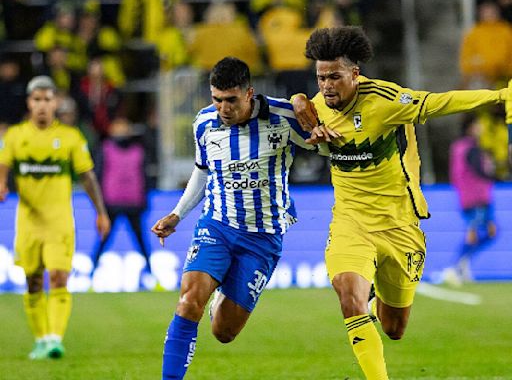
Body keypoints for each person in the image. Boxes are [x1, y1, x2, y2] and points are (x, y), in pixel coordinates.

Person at [291, 27, 511, 379]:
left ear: (355, 74)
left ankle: (379, 298)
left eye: (335, 76)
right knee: (349, 295)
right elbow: (262, 109)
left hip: (399, 226)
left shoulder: (385, 101)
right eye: (320, 78)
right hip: (350, 223)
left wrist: (499, 96)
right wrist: (298, 100)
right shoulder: (315, 108)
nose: (327, 85)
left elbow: (442, 102)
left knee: (394, 328)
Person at [151, 57, 326, 380]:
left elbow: (326, 145)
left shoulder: (284, 116)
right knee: (189, 302)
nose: (222, 108)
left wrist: (303, 102)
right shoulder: (204, 123)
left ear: (249, 93)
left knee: (224, 331)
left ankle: (223, 296)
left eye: (230, 100)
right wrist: (178, 214)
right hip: (217, 225)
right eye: (217, 99)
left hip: (263, 237)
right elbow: (202, 172)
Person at [0, 76, 110, 360]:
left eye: (47, 100)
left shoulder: (71, 137)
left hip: (60, 222)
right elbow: (3, 165)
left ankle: (54, 339)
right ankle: (40, 339)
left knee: (59, 277)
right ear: (29, 103)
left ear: (55, 103)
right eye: (36, 100)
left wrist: (101, 212)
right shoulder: (14, 136)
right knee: (33, 282)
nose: (42, 106)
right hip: (28, 223)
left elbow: (88, 177)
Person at [90, 117, 153, 282]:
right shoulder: (105, 149)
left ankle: (151, 274)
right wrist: (100, 205)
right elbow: (98, 175)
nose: (121, 131)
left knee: (140, 240)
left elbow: (145, 177)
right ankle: (90, 275)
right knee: (104, 240)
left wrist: (144, 199)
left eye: (124, 128)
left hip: (134, 202)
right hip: (111, 202)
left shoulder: (139, 150)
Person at [444, 114, 497, 285]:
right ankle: (454, 267)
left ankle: (463, 263)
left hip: (467, 195)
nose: (481, 128)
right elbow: (479, 171)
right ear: (471, 127)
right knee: (474, 233)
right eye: (478, 125)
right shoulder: (471, 148)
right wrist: (493, 172)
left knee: (489, 232)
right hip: (477, 196)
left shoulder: (458, 147)